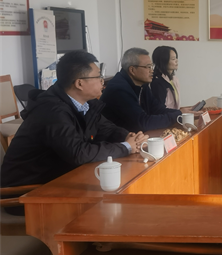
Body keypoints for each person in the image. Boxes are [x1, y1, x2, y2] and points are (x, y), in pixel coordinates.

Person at [1, 51, 147, 203]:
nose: (102, 81)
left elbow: (107, 128)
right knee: (111, 203)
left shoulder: (86, 103)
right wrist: (125, 147)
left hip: (58, 179)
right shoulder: (52, 111)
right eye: (98, 76)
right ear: (79, 83)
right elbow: (78, 153)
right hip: (26, 194)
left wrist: (130, 138)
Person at [101, 47, 182, 132]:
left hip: (135, 135)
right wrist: (177, 115)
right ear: (132, 70)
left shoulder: (142, 84)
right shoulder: (119, 89)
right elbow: (143, 123)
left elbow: (157, 109)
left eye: (151, 66)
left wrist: (180, 114)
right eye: (148, 67)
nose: (152, 71)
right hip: (116, 138)